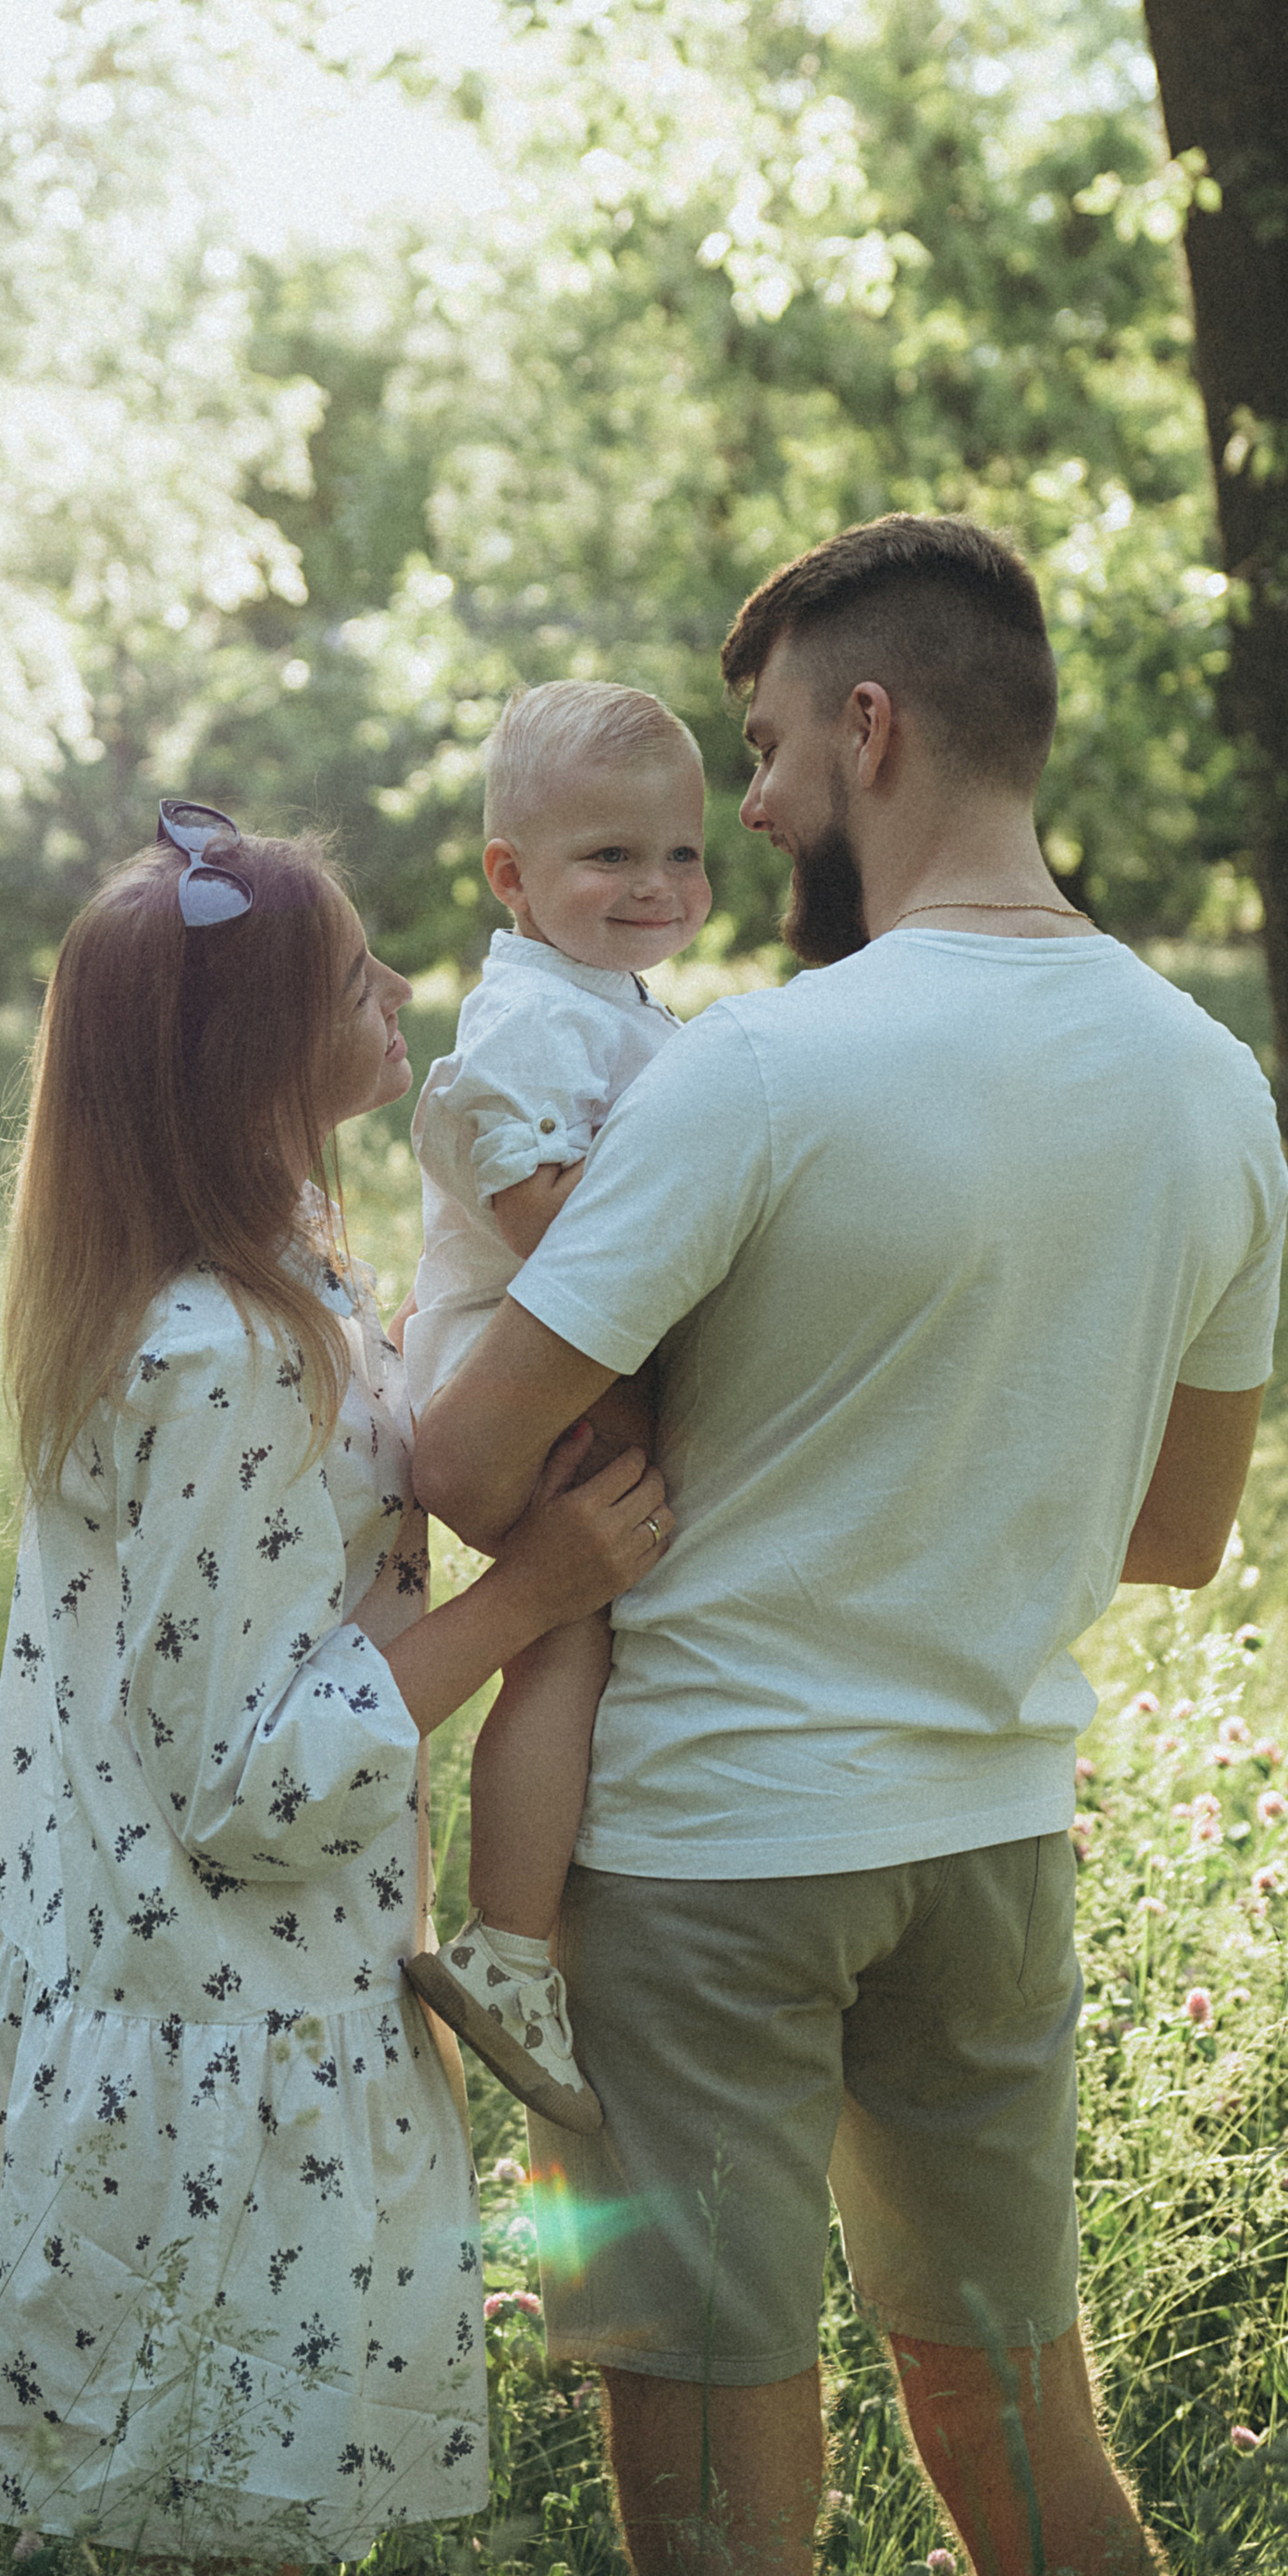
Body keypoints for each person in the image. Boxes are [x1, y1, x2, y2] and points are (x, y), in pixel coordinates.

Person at [413, 517, 1288, 2576]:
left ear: (870, 725)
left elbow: (459, 1454)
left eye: (772, 747)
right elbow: (1174, 1537)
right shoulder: (1210, 1082)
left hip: (707, 1851)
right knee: (1012, 2409)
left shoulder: (751, 1067)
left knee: (718, 2506)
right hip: (988, 1841)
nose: (756, 804)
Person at [0, 803, 669, 2576]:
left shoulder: (265, 1266)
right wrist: (525, 1596)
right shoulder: (219, 1352)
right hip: (218, 2041)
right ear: (249, 1055)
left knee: (229, 2565)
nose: (398, 988)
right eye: (346, 978)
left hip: (213, 2001)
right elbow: (249, 1774)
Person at [396, 682, 712, 2128]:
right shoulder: (525, 1015)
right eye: (609, 858)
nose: (654, 888)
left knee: (583, 1640)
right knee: (562, 1645)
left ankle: (530, 1933)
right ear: (510, 877)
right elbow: (554, 1223)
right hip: (508, 1368)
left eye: (682, 856)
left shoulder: (610, 1002)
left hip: (550, 1361)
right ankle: (506, 1951)